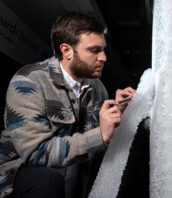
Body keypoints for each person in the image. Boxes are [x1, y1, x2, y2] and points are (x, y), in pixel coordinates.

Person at [0, 12, 135, 198]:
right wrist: (100, 134)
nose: (103, 57)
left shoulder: (98, 89)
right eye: (94, 50)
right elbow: (36, 155)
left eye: (103, 49)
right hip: (21, 176)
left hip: (73, 176)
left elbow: (98, 145)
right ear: (67, 51)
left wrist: (117, 115)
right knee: (47, 180)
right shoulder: (29, 81)